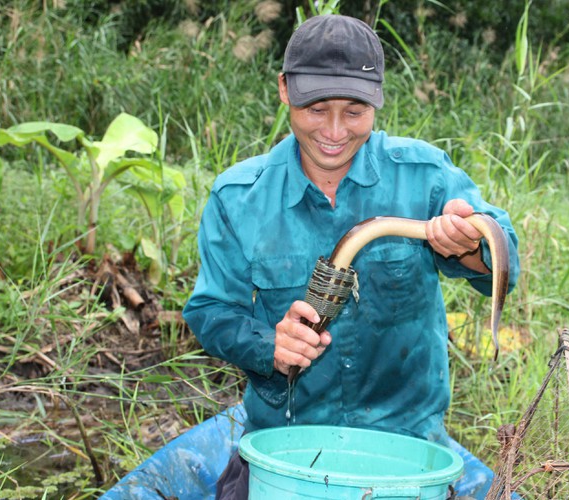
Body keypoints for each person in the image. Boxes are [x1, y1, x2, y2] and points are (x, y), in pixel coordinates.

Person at [182, 14, 520, 499]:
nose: (335, 132)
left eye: (355, 111)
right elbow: (210, 310)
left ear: (378, 100)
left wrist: (469, 247)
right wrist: (268, 344)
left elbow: (502, 259)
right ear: (285, 91)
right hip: (285, 444)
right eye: (317, 109)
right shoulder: (239, 196)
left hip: (404, 447)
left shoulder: (424, 177)